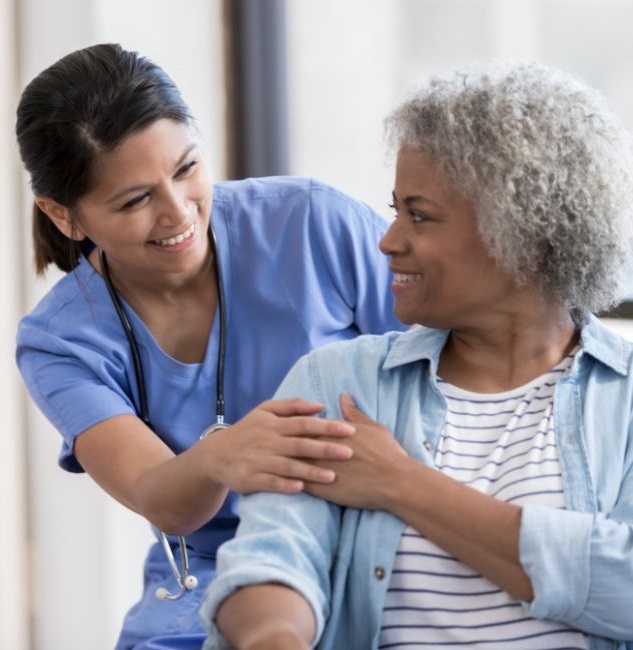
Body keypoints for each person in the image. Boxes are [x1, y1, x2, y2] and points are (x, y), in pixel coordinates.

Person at [201, 60, 633, 650]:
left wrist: (402, 483)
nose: (388, 240)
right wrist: (273, 637)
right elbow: (274, 555)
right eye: (395, 208)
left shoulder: (626, 397)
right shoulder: (340, 381)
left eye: (419, 215)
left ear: (524, 238)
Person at [14, 43, 405, 650]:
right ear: (63, 215)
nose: (178, 213)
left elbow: (452, 361)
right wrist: (220, 457)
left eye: (187, 169)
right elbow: (162, 500)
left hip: (379, 529)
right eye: (135, 200)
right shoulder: (59, 341)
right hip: (211, 572)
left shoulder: (309, 222)